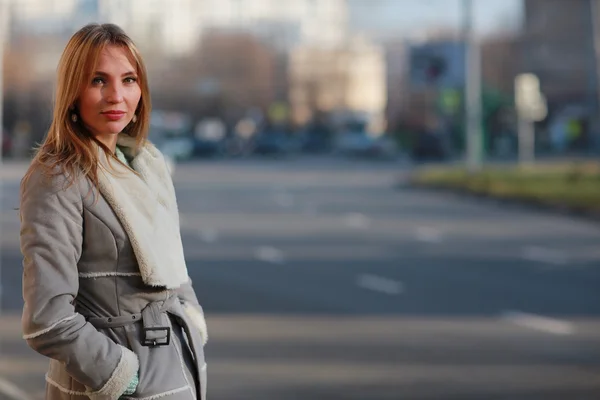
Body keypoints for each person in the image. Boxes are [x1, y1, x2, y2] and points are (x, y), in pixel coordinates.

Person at [19, 23, 208, 400]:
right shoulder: (59, 178)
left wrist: (192, 321)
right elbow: (47, 317)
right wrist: (125, 379)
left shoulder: (143, 163)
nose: (116, 96)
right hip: (113, 385)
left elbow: (173, 267)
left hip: (176, 365)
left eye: (128, 79)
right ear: (72, 90)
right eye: (98, 81)